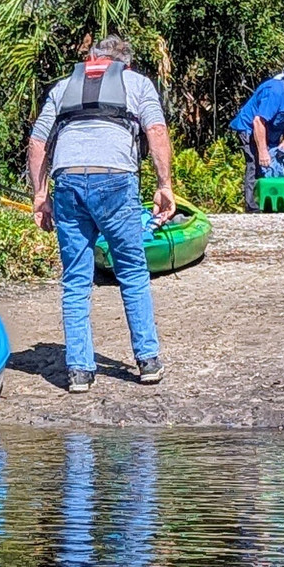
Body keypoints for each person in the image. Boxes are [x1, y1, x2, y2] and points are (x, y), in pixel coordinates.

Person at [27, 35, 176, 393]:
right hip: (115, 180)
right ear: (124, 64)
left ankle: (79, 371)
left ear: (93, 60)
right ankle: (147, 361)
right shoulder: (137, 83)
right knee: (132, 271)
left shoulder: (63, 87)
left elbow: (37, 143)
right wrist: (164, 184)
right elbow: (155, 130)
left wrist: (39, 195)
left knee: (76, 280)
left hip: (69, 181)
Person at [229, 61, 284, 212]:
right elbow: (258, 122)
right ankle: (253, 207)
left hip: (272, 133)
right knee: (256, 165)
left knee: (276, 167)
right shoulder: (275, 91)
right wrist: (262, 151)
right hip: (250, 129)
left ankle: (274, 205)